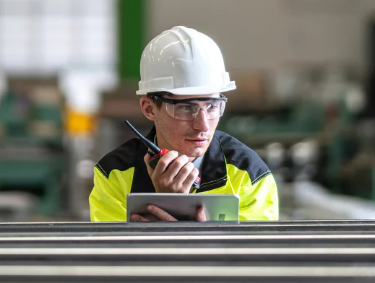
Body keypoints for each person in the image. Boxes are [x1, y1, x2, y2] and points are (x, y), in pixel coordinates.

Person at [89, 26, 278, 222]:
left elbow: (256, 251)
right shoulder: (114, 174)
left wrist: (184, 231)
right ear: (149, 108)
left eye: (212, 106)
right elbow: (113, 252)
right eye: (186, 108)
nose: (202, 126)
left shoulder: (249, 174)